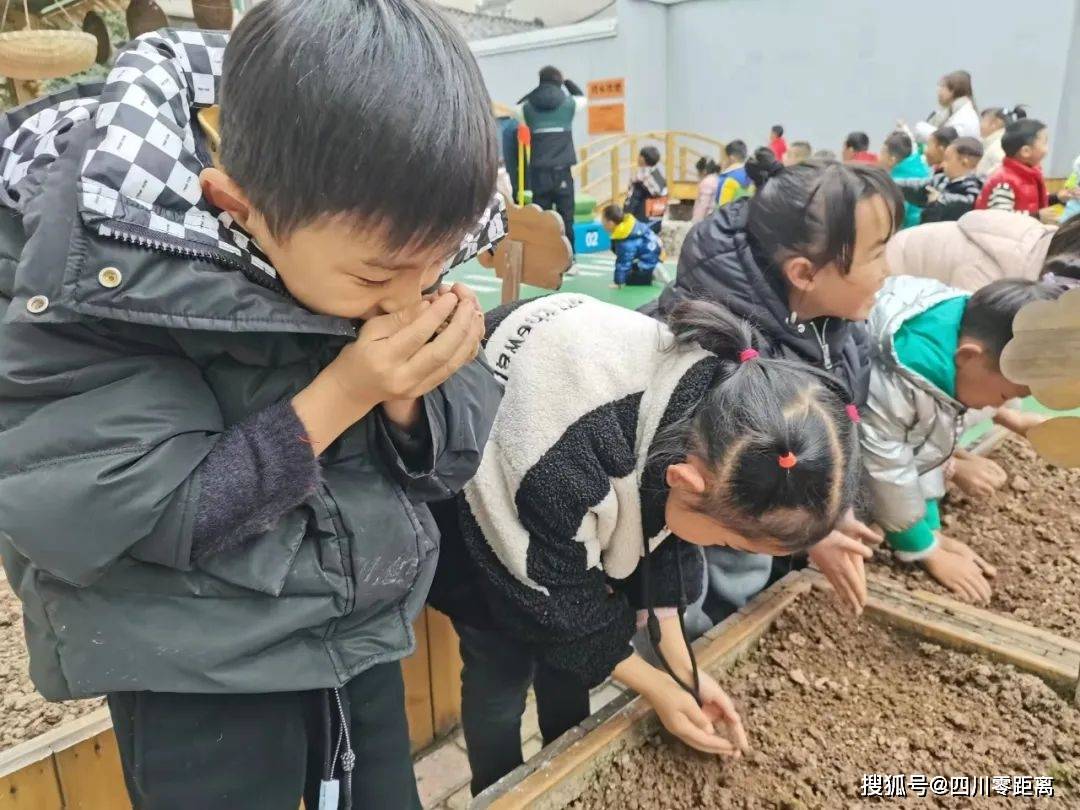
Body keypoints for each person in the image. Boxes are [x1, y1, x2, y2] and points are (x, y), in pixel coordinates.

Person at [0, 4, 508, 809]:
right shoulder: (97, 270)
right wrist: (348, 390)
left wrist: (415, 399)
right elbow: (132, 510)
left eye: (436, 267)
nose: (406, 300)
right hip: (194, 663)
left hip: (354, 628)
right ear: (238, 206)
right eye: (378, 281)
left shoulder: (378, 228)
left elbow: (443, 460)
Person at [431, 295, 864, 794]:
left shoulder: (716, 420)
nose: (724, 546)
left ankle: (563, 751)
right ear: (686, 481)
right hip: (483, 514)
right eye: (730, 540)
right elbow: (557, 600)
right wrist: (657, 687)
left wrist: (684, 673)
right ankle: (500, 788)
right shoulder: (559, 461)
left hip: (562, 504)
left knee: (569, 670)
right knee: (500, 674)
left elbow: (669, 532)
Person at [643, 154, 904, 620]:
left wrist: (828, 508)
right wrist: (810, 533)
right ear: (804, 273)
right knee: (701, 591)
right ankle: (707, 634)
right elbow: (712, 503)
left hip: (753, 532)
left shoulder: (837, 328)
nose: (888, 269)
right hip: (697, 541)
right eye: (876, 253)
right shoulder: (718, 356)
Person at [861, 277, 1064, 602]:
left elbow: (925, 446)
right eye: (1002, 395)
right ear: (970, 357)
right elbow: (885, 470)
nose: (999, 406)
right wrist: (924, 548)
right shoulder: (894, 382)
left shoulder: (961, 329)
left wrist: (931, 530)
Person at [519, 65, 587, 257]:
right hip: (562, 171)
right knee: (566, 217)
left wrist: (536, 90)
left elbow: (517, 105)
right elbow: (582, 98)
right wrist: (567, 83)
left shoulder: (527, 109)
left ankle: (543, 258)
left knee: (542, 218)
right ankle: (569, 259)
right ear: (559, 82)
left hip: (539, 173)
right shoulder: (569, 105)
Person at [893, 137, 985, 224]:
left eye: (947, 159)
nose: (942, 164)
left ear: (964, 162)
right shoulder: (941, 179)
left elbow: (967, 202)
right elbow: (916, 186)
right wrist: (890, 183)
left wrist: (939, 200)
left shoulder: (975, 188)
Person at [975, 119, 1049, 216]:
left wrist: (1057, 198)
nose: (1047, 148)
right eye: (1045, 143)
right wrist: (1038, 216)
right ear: (1026, 151)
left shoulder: (1031, 174)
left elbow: (1034, 202)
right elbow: (1001, 217)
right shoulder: (1004, 180)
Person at [602, 203, 663, 288]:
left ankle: (651, 272)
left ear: (611, 223)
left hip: (647, 261)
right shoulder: (630, 225)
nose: (602, 224)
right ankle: (652, 268)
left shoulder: (625, 237)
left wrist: (619, 282)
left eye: (603, 221)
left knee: (629, 278)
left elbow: (623, 261)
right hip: (654, 254)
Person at [879, 131, 931, 228]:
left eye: (882, 153)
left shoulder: (896, 185)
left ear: (892, 159)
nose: (879, 157)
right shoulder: (924, 169)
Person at [914, 69, 980, 141]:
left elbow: (947, 141)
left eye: (942, 87)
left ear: (952, 91)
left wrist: (921, 128)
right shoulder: (955, 111)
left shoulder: (965, 116)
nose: (938, 91)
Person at [979, 105, 1027, 176]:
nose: (980, 125)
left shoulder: (999, 146)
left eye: (983, 120)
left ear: (994, 124)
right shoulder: (998, 143)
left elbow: (1003, 172)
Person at [625, 145, 668, 222]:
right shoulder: (658, 175)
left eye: (639, 156)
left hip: (641, 218)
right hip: (657, 218)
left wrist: (626, 214)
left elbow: (634, 199)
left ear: (642, 159)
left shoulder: (639, 178)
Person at [715, 140, 752, 206]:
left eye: (724, 158)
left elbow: (721, 209)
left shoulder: (727, 179)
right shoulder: (753, 176)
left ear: (731, 158)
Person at [692, 156, 721, 223]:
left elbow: (703, 205)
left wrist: (696, 222)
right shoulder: (717, 178)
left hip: (706, 219)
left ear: (704, 171)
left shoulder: (707, 182)